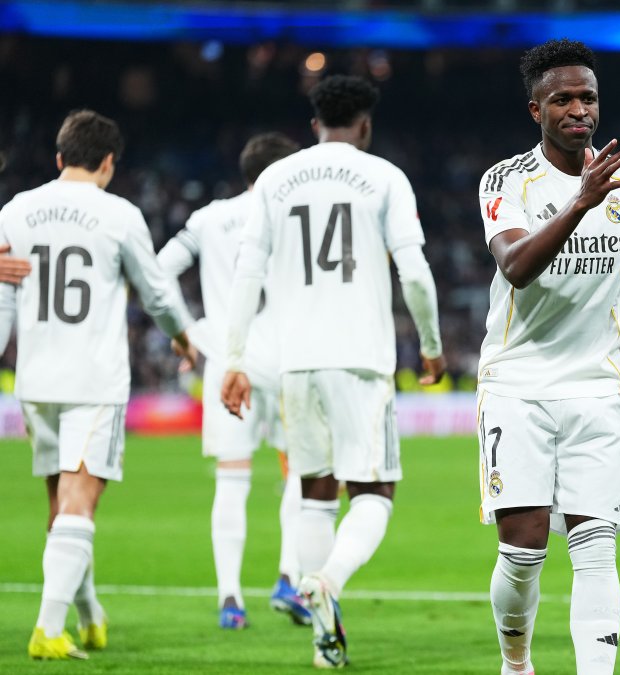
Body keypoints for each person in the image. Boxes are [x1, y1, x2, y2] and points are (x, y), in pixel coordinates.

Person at [476, 39, 620, 675]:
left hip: (594, 390)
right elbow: (518, 267)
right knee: (522, 555)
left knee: (596, 547)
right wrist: (580, 200)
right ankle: (516, 661)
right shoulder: (506, 180)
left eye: (588, 98)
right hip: (517, 386)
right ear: (536, 110)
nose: (578, 110)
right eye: (563, 100)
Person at [221, 75, 445, 668]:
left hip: (295, 361)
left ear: (313, 123)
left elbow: (247, 274)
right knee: (375, 490)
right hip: (360, 358)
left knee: (315, 491)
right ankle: (331, 581)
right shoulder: (384, 176)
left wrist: (236, 357)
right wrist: (431, 344)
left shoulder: (274, 179)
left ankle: (324, 636)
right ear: (365, 125)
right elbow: (415, 273)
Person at [0, 110, 193, 660]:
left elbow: (3, 297)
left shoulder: (17, 210)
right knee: (79, 503)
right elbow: (156, 292)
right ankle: (47, 630)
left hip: (36, 381)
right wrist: (181, 338)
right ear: (109, 163)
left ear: (58, 158)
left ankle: (88, 616)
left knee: (63, 505)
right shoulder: (119, 215)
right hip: (93, 381)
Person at [158, 132, 309, 629]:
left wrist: (188, 335)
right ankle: (289, 578)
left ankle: (230, 600)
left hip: (227, 359)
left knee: (232, 477)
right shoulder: (293, 215)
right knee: (301, 472)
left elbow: (161, 270)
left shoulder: (208, 218)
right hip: (286, 360)